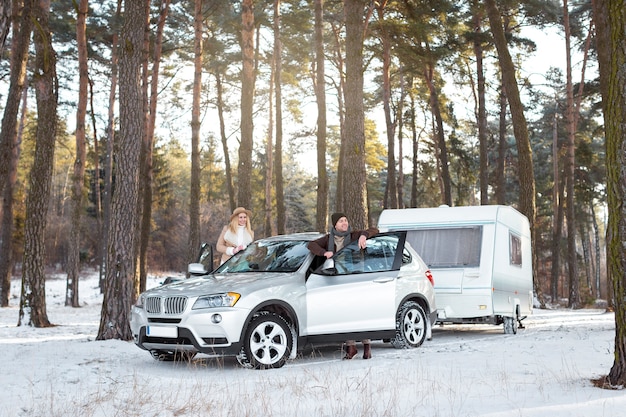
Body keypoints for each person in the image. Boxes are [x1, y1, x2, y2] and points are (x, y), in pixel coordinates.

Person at [307, 212, 379, 360]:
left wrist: (364, 235)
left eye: (346, 220)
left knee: (360, 313)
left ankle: (367, 346)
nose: (344, 223)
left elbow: (375, 230)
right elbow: (311, 245)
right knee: (346, 313)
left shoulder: (354, 235)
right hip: (339, 279)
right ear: (335, 225)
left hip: (356, 277)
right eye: (341, 221)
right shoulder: (328, 239)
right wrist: (324, 252)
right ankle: (351, 347)